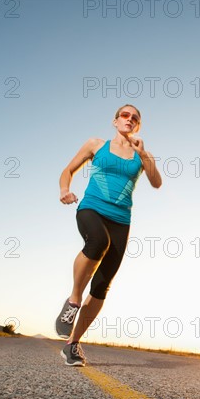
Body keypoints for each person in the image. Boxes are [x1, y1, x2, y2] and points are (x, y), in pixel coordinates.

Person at [56, 104, 162, 366]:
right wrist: (64, 190)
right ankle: (73, 300)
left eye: (135, 118)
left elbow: (157, 182)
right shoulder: (96, 144)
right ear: (115, 121)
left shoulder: (142, 155)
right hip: (91, 208)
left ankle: (72, 345)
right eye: (125, 115)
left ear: (137, 126)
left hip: (121, 221)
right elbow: (67, 170)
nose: (130, 119)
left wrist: (144, 154)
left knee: (102, 286)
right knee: (97, 242)